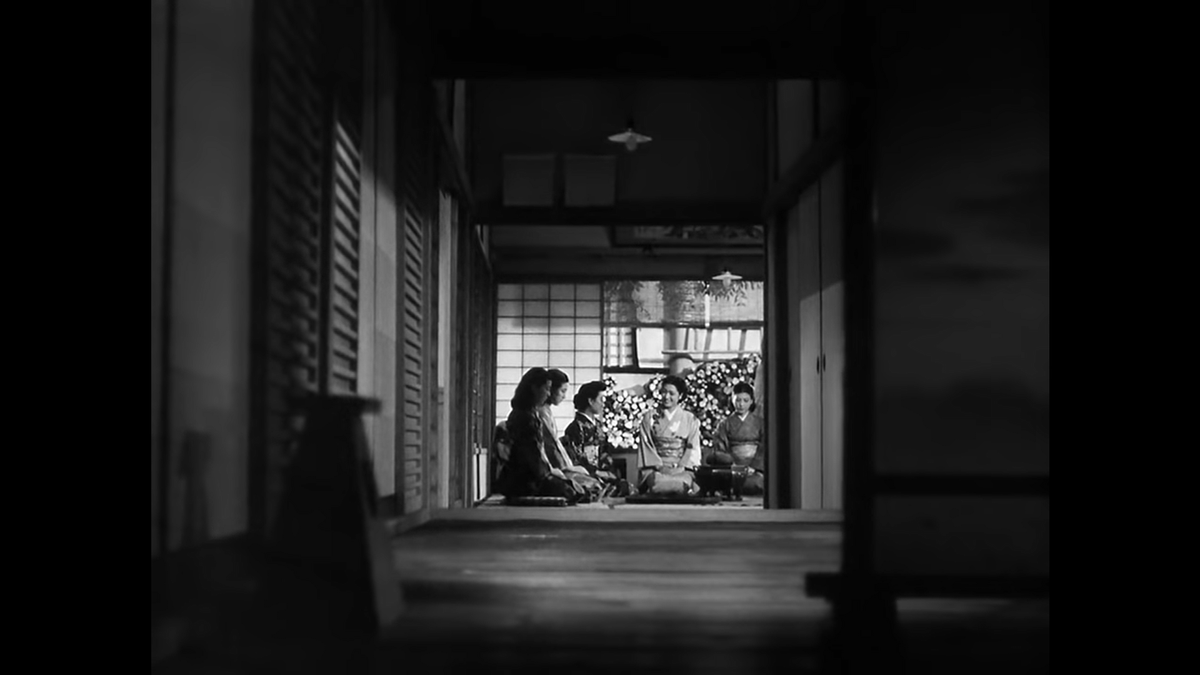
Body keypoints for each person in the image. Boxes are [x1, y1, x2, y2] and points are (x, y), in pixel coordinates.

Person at [494, 368, 580, 503]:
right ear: (534, 388)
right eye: (546, 389)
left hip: (526, 476)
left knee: (572, 487)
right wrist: (550, 473)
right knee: (571, 490)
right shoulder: (525, 417)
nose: (548, 393)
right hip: (525, 479)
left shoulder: (528, 413)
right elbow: (533, 456)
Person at [538, 369, 602, 501]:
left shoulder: (546, 411)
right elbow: (551, 446)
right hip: (545, 467)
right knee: (587, 485)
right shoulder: (542, 412)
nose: (564, 396)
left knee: (593, 483)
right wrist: (568, 467)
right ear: (550, 389)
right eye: (562, 391)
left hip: (561, 465)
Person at [563, 380, 631, 497]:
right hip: (586, 475)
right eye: (601, 400)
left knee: (625, 487)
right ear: (590, 401)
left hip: (602, 473)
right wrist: (596, 472)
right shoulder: (575, 428)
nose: (603, 404)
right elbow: (576, 459)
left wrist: (608, 471)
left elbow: (605, 452)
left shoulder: (598, 425)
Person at [637, 375, 703, 495]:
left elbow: (692, 447)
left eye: (671, 393)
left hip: (682, 469)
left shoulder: (690, 419)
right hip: (655, 469)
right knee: (657, 482)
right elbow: (646, 445)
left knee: (683, 483)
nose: (666, 397)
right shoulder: (650, 417)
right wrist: (659, 466)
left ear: (680, 396)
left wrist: (681, 467)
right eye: (663, 392)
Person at [705, 381, 766, 495]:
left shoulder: (760, 423)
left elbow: (764, 448)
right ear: (732, 400)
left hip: (755, 470)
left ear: (752, 401)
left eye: (745, 400)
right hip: (732, 468)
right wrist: (732, 465)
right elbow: (720, 448)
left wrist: (754, 467)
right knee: (726, 478)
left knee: (758, 482)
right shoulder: (724, 424)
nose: (741, 404)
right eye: (738, 400)